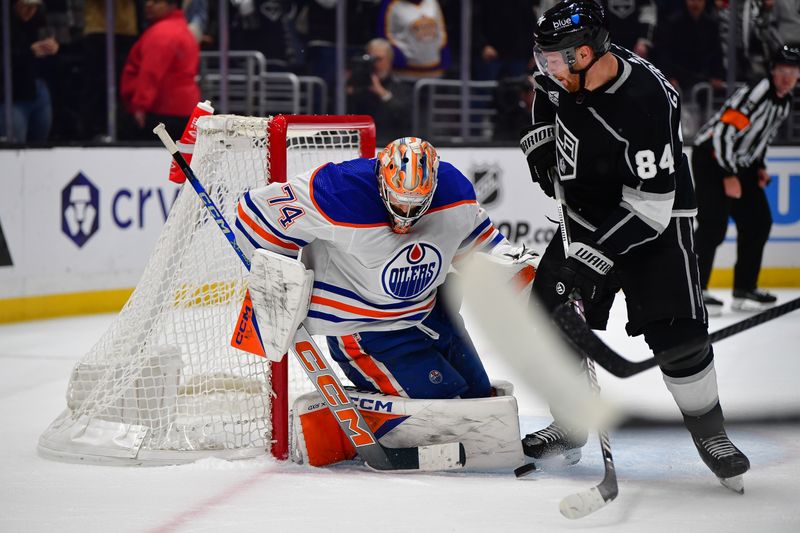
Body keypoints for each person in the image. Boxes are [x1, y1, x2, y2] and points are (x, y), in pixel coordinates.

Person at [519, 0, 750, 491]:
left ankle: (711, 433)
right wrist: (540, 142)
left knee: (677, 332)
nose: (549, 69)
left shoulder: (646, 100)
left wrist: (593, 262)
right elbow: (542, 91)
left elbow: (649, 208)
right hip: (584, 212)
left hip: (656, 223)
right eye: (547, 60)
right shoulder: (564, 74)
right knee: (548, 317)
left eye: (558, 60)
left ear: (587, 53)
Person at [234, 137, 535, 401]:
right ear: (381, 181)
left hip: (427, 315)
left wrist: (513, 266)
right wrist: (276, 279)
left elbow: (481, 243)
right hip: (362, 330)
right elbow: (254, 213)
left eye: (417, 204)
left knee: (477, 394)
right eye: (400, 201)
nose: (406, 214)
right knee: (446, 403)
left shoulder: (454, 190)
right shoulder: (336, 190)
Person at [692, 44, 799, 315]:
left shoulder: (784, 100)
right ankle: (694, 292)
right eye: (783, 70)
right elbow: (723, 134)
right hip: (712, 159)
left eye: (794, 72)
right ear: (773, 71)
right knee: (712, 226)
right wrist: (728, 175)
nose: (788, 77)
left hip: (740, 163)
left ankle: (744, 289)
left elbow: (762, 136)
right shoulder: (758, 94)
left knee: (758, 221)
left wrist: (759, 165)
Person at [119, 0, 200, 140]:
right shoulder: (181, 28)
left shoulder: (162, 33)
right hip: (182, 108)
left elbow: (150, 73)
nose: (148, 5)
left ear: (172, 4)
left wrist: (140, 106)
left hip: (163, 110)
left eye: (156, 2)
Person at [0, 0, 59, 143]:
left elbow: (50, 65)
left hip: (37, 90)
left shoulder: (39, 21)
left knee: (39, 152)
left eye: (34, 7)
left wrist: (53, 49)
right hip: (10, 96)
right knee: (13, 151)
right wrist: (29, 52)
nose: (29, 11)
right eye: (24, 6)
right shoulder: (6, 25)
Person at [347, 39, 413, 144]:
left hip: (389, 142)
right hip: (357, 142)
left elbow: (404, 115)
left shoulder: (401, 86)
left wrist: (381, 92)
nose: (375, 64)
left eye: (379, 59)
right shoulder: (356, 82)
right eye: (371, 59)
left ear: (389, 60)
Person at [377, 0, 451, 78]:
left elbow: (441, 31)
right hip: (404, 74)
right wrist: (398, 59)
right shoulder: (391, 4)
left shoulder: (432, 2)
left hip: (435, 72)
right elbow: (385, 35)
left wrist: (444, 59)